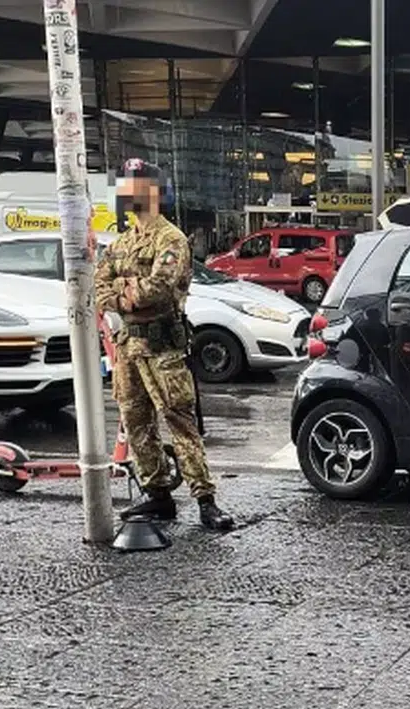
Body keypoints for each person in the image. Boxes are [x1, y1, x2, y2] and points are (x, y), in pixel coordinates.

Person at [95, 158, 235, 530]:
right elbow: (99, 287)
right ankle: (157, 495)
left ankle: (205, 499)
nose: (128, 192)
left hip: (163, 348)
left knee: (179, 421)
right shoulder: (122, 242)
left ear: (154, 193)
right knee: (136, 422)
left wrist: (123, 296)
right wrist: (126, 298)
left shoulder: (170, 238)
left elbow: (158, 290)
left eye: (136, 185)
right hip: (128, 347)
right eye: (125, 185)